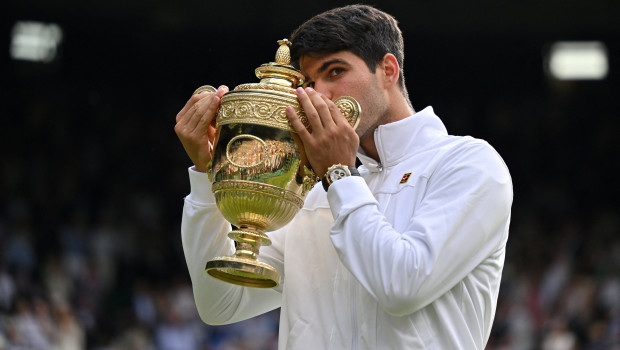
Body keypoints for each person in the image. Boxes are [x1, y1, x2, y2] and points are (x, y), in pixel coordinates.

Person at [174, 4, 513, 349]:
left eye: (335, 71)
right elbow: (221, 303)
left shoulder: (469, 164)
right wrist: (206, 174)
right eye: (307, 82)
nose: (318, 94)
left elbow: (403, 287)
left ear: (388, 70)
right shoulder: (311, 188)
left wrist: (339, 174)